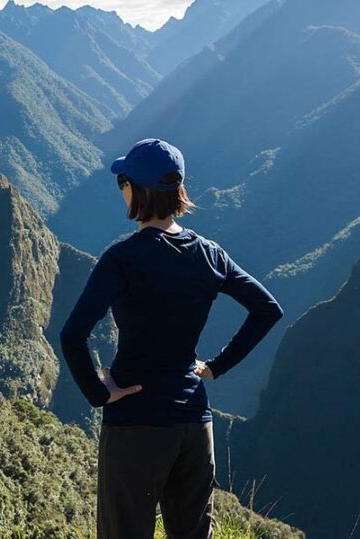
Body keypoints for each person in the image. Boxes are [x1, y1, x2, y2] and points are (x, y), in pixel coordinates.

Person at [59, 139, 283, 539]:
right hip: (195, 425)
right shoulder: (210, 255)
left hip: (135, 424)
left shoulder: (123, 259)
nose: (121, 189)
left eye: (122, 181)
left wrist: (100, 392)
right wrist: (215, 368)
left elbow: (74, 334)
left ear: (136, 190)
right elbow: (267, 309)